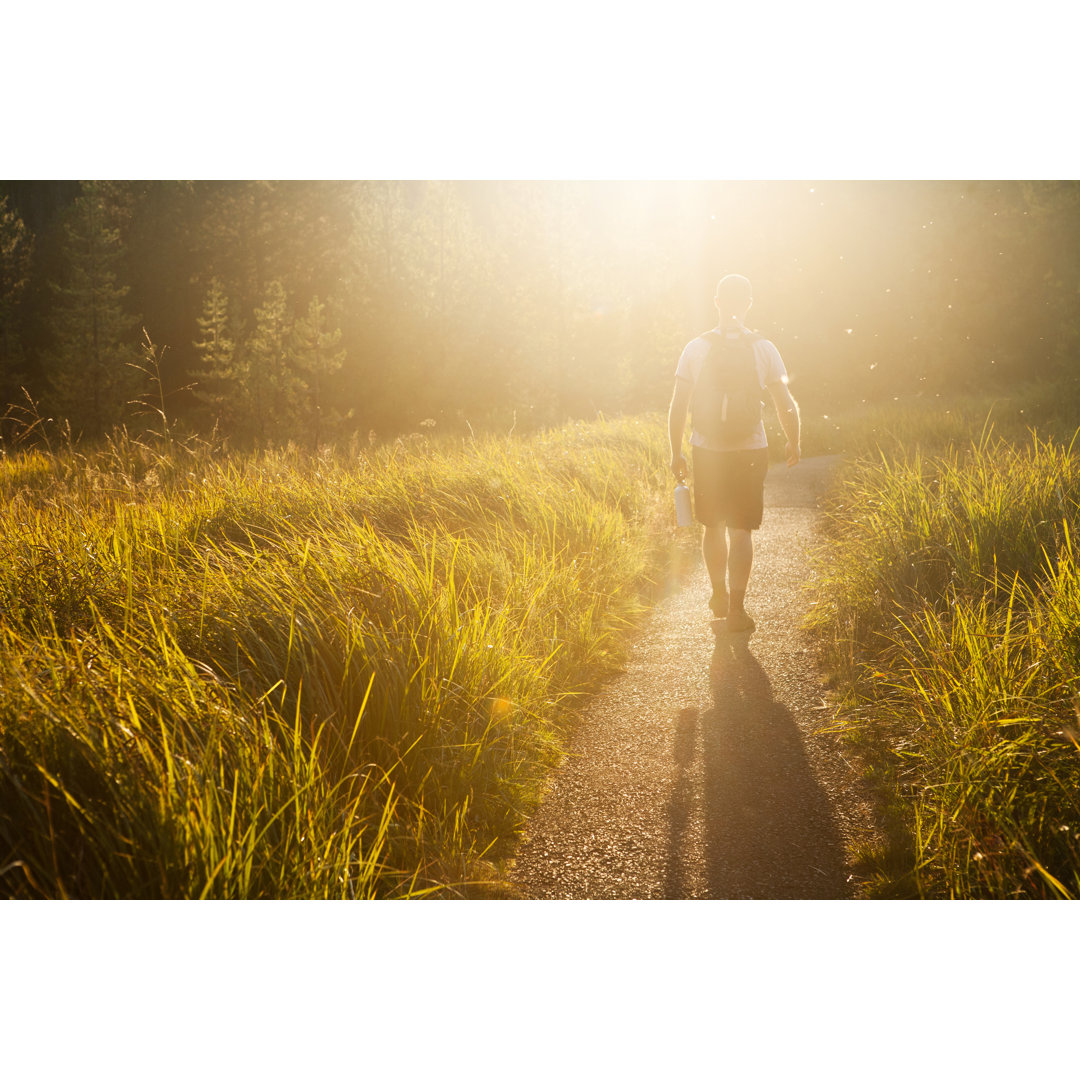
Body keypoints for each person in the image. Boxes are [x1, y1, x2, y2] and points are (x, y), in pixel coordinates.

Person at [668, 274, 801, 633]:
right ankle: (738, 609)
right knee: (741, 530)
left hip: (706, 450)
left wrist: (675, 451)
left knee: (712, 525)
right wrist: (794, 440)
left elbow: (678, 405)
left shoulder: (696, 348)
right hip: (750, 449)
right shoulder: (764, 348)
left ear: (716, 302)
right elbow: (785, 404)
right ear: (749, 303)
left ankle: (718, 593)